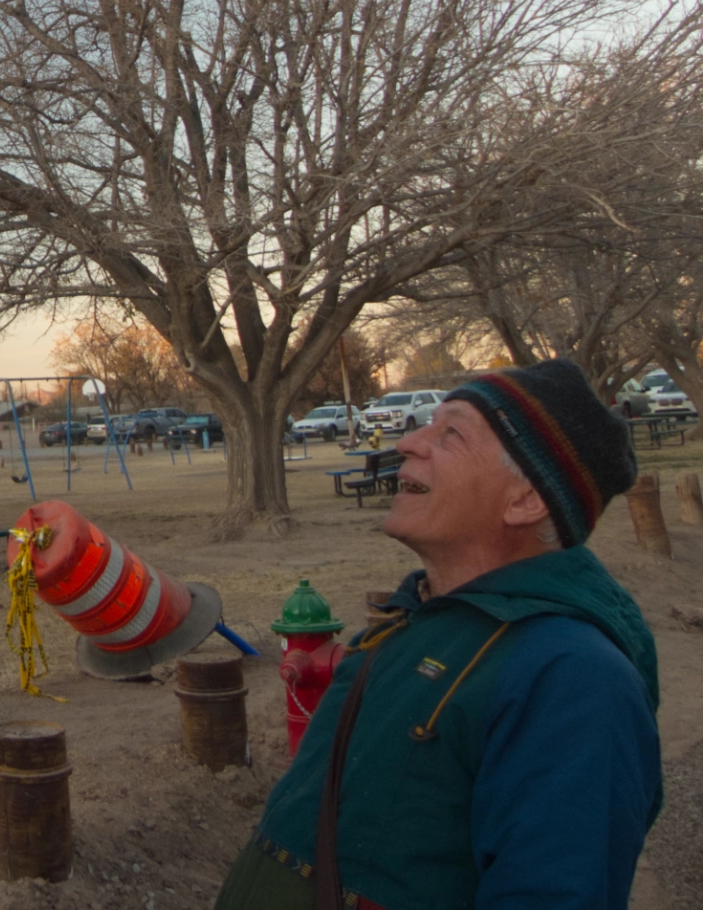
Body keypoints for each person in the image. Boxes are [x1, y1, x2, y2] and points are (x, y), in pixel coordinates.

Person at [215, 360, 660, 910]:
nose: (409, 442)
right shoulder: (408, 624)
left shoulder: (573, 675)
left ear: (526, 500)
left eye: (451, 433)